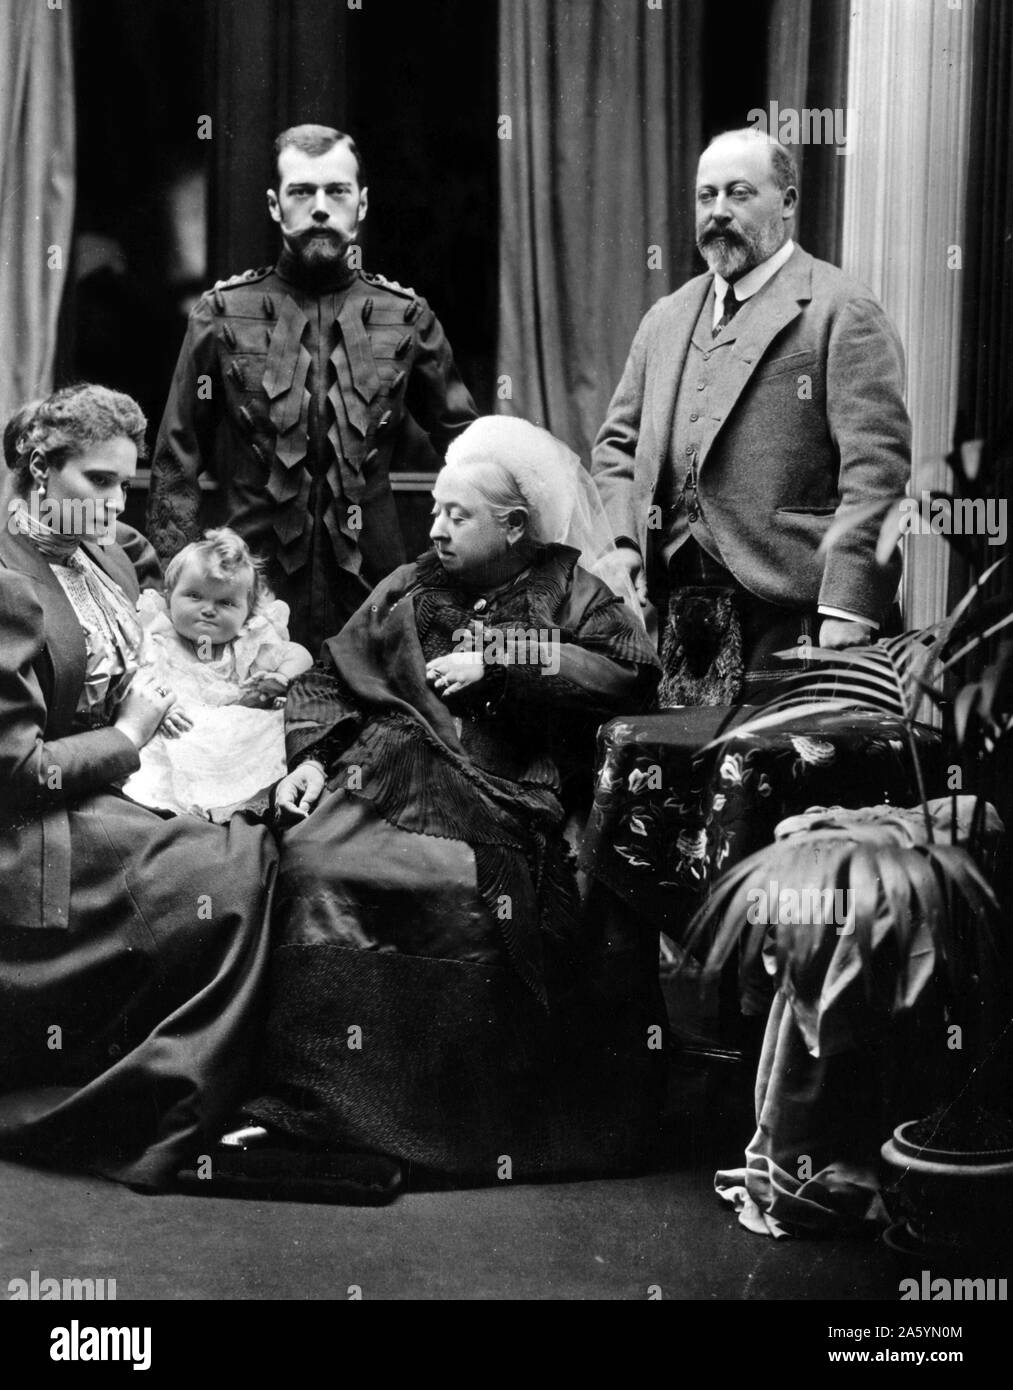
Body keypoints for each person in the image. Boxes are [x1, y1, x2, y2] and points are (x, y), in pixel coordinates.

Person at [209, 416, 663, 1200]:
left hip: (503, 788)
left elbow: (628, 675)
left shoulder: (568, 587)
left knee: (455, 886)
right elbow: (327, 675)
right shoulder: (411, 585)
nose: (437, 529)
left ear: (514, 527)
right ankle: (316, 1107)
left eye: (458, 516)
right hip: (382, 773)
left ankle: (436, 1116)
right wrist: (311, 762)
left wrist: (504, 656)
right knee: (315, 864)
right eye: (436, 512)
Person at [0, 385, 276, 1190]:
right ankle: (163, 1108)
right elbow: (16, 771)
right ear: (39, 471)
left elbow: (173, 600)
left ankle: (237, 1088)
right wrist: (127, 736)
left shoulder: (107, 549)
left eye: (127, 484)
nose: (116, 505)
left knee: (261, 841)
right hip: (37, 826)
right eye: (97, 482)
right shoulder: (7, 582)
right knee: (225, 873)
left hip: (123, 784)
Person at [592, 128, 911, 703]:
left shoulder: (841, 310)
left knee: (772, 789)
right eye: (705, 196)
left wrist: (849, 604)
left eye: (739, 194)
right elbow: (616, 445)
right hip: (673, 620)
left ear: (786, 203)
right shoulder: (665, 319)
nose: (718, 212)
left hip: (795, 615)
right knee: (667, 787)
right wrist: (622, 545)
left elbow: (876, 471)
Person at [147, 123, 478, 654]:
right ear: (276, 206)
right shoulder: (220, 314)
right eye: (302, 192)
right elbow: (174, 464)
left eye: (337, 191)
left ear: (362, 204)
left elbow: (470, 453)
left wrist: (466, 573)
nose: (320, 208)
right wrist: (175, 587)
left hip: (377, 595)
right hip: (246, 596)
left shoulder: (407, 317)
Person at [121, 528, 313, 819]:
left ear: (248, 612)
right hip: (181, 733)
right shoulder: (159, 638)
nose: (208, 610)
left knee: (274, 731)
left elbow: (301, 655)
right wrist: (162, 706)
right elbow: (137, 678)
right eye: (194, 596)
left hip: (237, 740)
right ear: (169, 596)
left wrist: (280, 679)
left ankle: (239, 806)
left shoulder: (248, 644)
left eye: (226, 603)